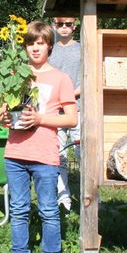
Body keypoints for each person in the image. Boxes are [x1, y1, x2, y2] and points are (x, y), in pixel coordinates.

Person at [0, 20, 77, 253]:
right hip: (15, 152)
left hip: (45, 154)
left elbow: (71, 119)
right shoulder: (15, 76)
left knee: (48, 210)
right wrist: (3, 117)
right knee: (19, 209)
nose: (35, 48)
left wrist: (40, 118)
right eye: (30, 43)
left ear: (50, 46)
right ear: (24, 47)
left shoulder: (60, 79)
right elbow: (4, 113)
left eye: (40, 43)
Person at [48, 16, 81, 211]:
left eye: (68, 24)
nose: (64, 28)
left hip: (78, 107)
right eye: (60, 24)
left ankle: (92, 199)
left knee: (83, 154)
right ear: (54, 25)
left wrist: (66, 95)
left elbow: (87, 78)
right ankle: (63, 202)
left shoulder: (81, 49)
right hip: (54, 110)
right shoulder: (50, 49)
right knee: (58, 156)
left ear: (74, 26)